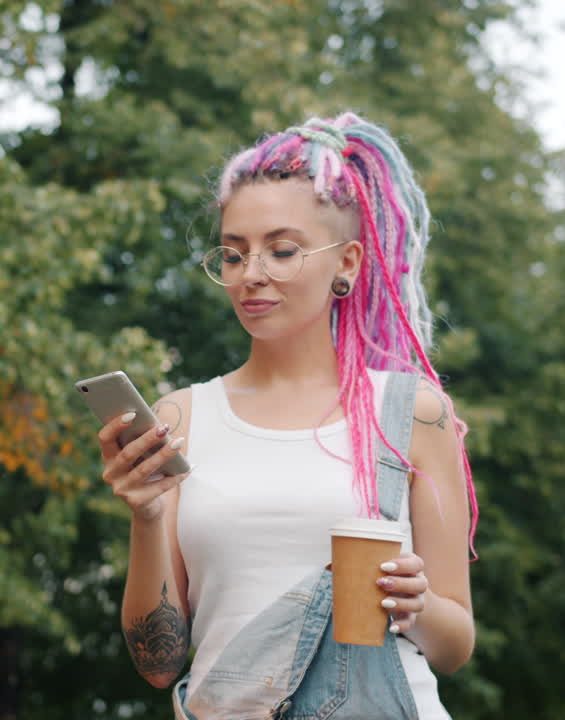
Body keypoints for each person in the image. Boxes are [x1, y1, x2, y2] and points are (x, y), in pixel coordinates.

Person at [95, 113, 477, 719]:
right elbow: (158, 662)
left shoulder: (412, 413)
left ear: (347, 263)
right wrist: (146, 516)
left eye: (282, 250)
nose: (252, 275)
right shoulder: (180, 416)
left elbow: (455, 645)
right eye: (233, 253)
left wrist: (418, 604)